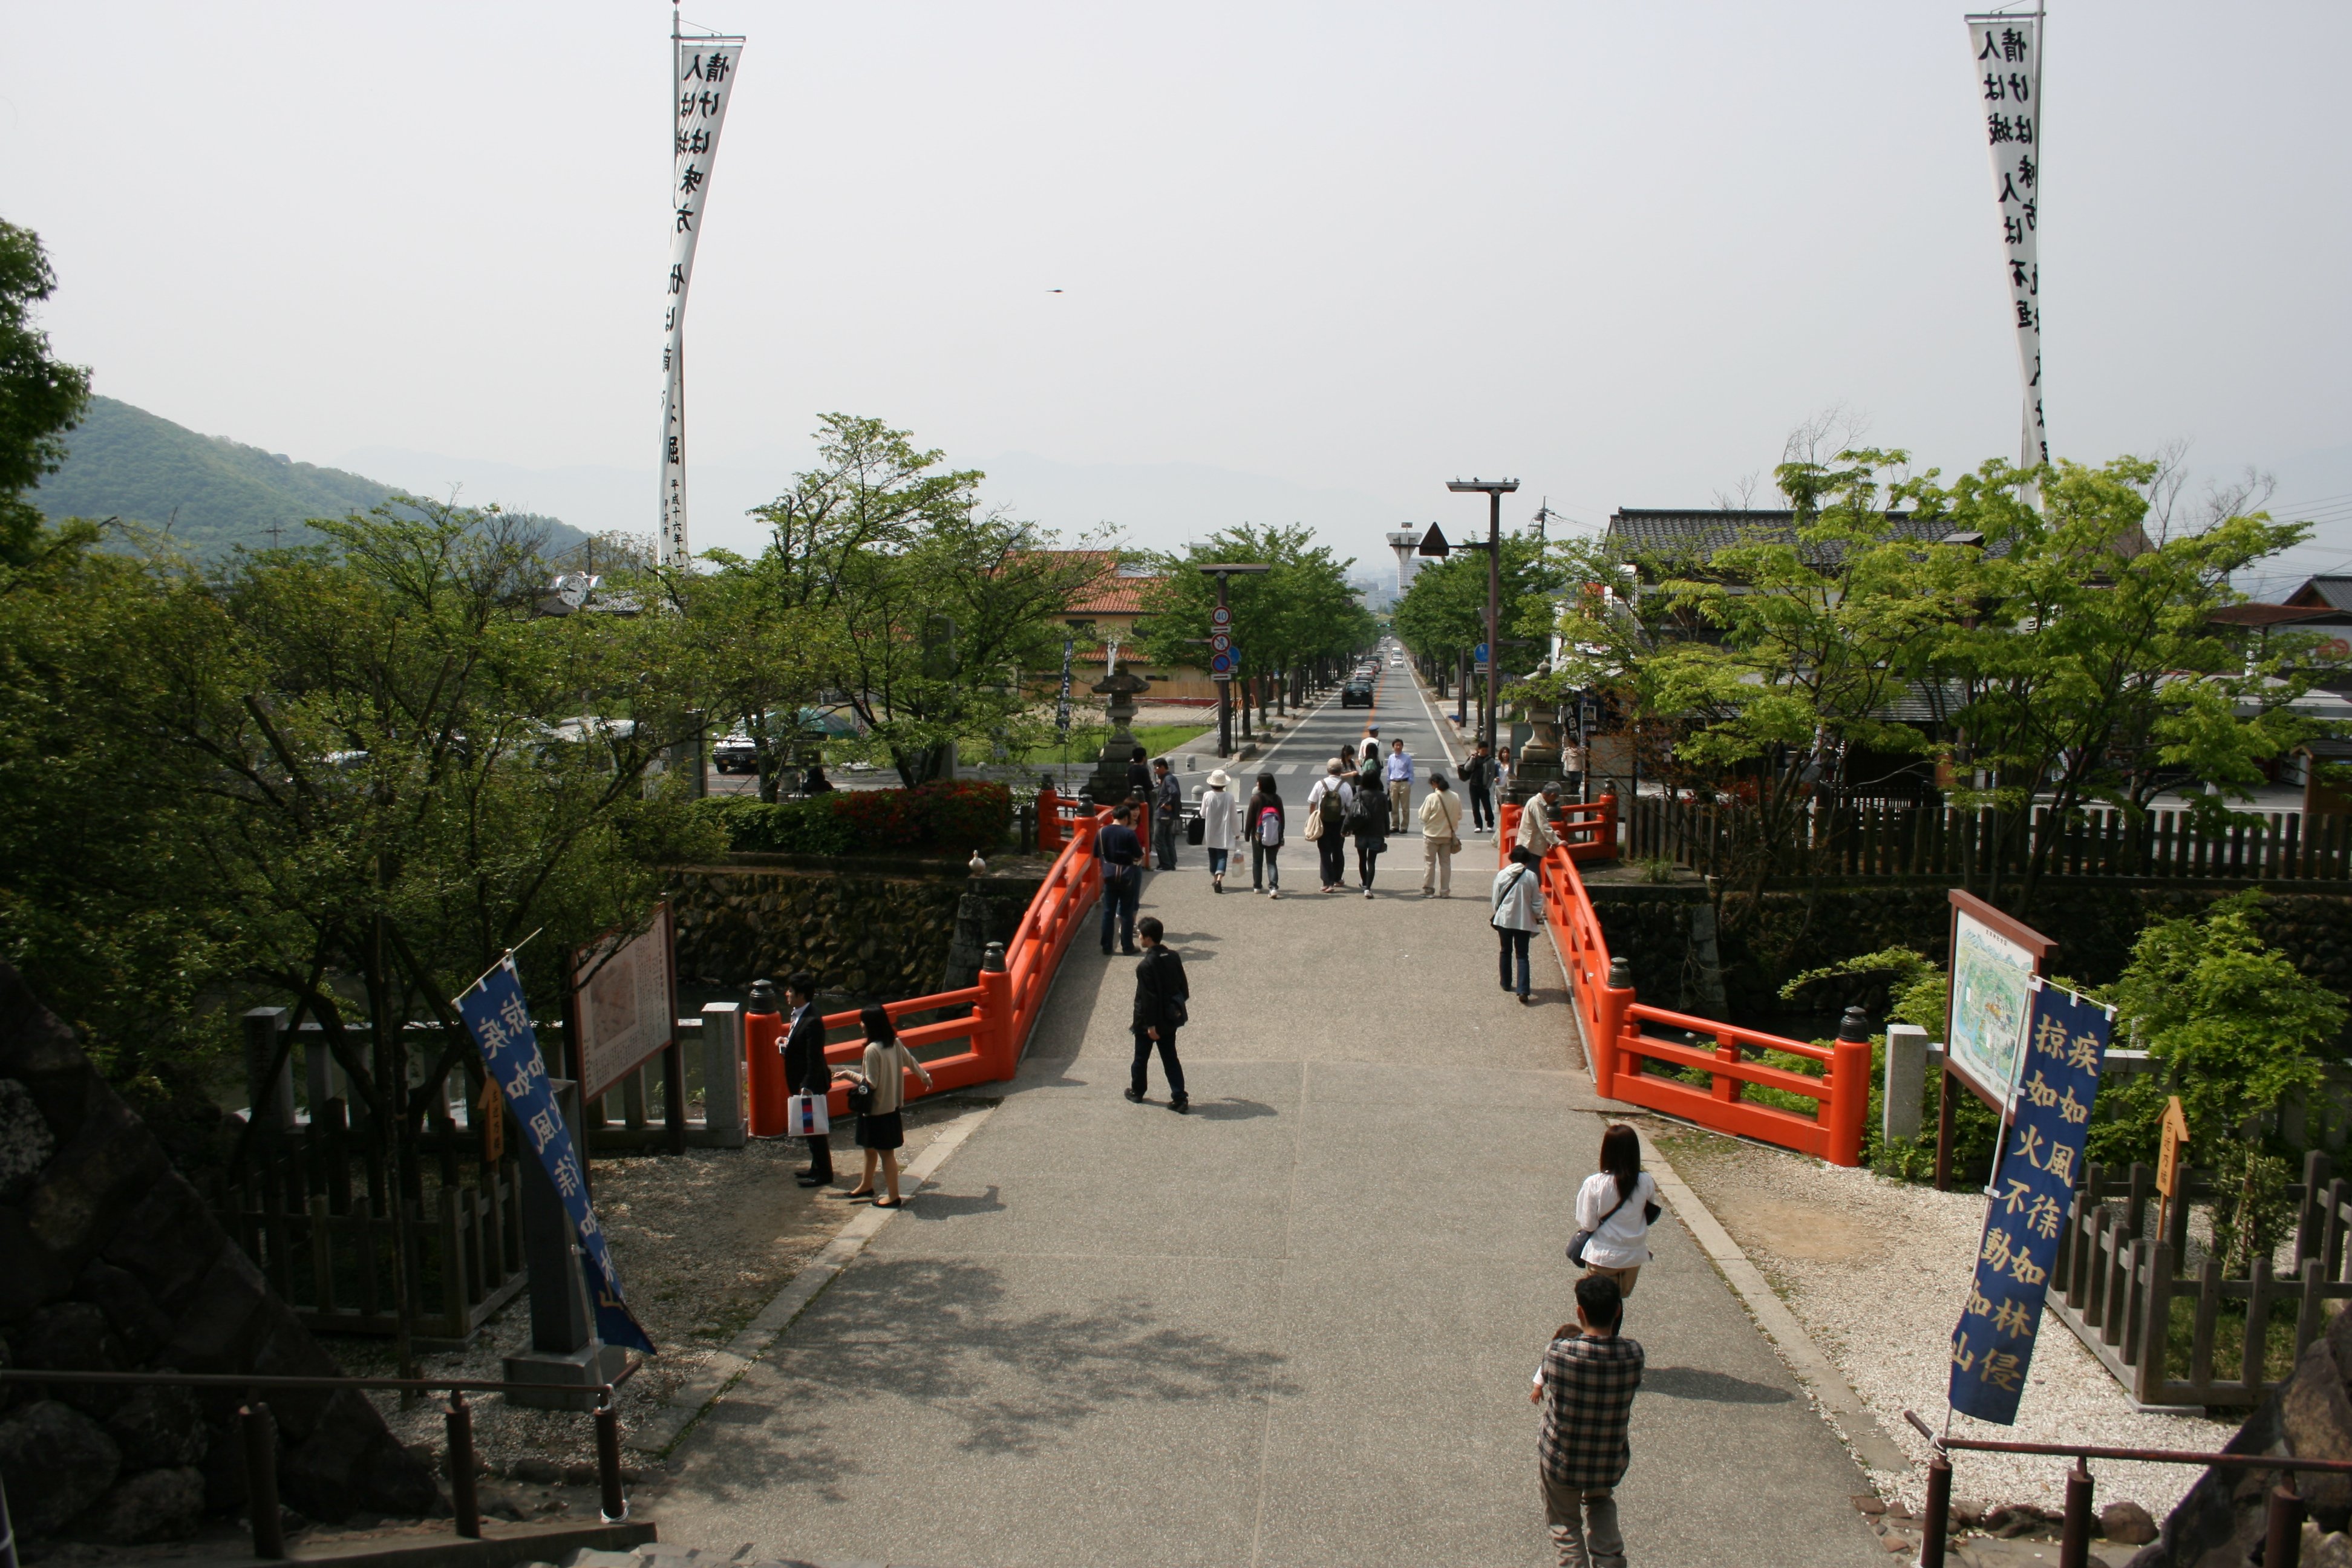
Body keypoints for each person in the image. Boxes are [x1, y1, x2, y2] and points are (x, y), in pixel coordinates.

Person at [1531, 1273, 1644, 1568]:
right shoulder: (1633, 1355)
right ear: (1617, 1311)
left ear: (1580, 1311)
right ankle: (1609, 1561)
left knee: (1565, 1523)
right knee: (1600, 1502)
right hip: (1607, 1458)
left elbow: (1547, 1377)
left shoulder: (1558, 1352)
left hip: (1562, 1457)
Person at [834, 1004, 933, 1207]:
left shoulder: (872, 1050)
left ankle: (893, 1196)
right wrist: (925, 1077)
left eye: (863, 1021)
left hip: (876, 1109)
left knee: (885, 1153)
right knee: (869, 1148)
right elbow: (911, 1061)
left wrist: (848, 1074)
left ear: (870, 1025)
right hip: (891, 1106)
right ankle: (866, 1185)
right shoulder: (894, 1042)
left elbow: (871, 1083)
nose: (861, 1025)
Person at [1576, 1124, 1659, 1302]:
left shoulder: (1595, 1183)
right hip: (1633, 1257)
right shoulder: (1646, 1181)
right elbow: (1648, 1214)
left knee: (1600, 1307)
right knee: (1617, 1303)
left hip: (1603, 1256)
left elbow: (1589, 1224)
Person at [1126, 915, 1189, 1112]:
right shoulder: (1173, 957)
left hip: (1148, 1023)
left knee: (1141, 1058)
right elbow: (1184, 990)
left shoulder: (1145, 966)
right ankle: (1179, 1097)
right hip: (1170, 1019)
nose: (1139, 937)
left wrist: (1151, 1025)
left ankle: (1138, 1091)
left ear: (1148, 938)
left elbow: (1148, 998)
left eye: (1140, 934)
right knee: (1171, 1058)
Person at [780, 970, 834, 1187]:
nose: (787, 994)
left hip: (809, 1084)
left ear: (801, 994)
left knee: (815, 1130)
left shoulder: (812, 1020)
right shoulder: (801, 1014)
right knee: (810, 1129)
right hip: (804, 1081)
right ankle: (816, 1167)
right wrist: (785, 1043)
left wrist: (807, 1086)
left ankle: (824, 1173)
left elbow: (814, 1057)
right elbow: (801, 1047)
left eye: (790, 991)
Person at [1492, 845, 1545, 1003]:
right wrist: (1537, 916)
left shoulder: (1502, 874)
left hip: (1504, 919)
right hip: (1523, 919)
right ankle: (1523, 990)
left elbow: (1496, 898)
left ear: (1512, 858)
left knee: (1505, 950)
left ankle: (1506, 983)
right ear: (1527, 860)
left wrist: (1498, 911)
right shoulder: (1531, 876)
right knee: (1522, 955)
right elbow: (1537, 900)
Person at [1097, 803, 1145, 954]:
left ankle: (1106, 947)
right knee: (1126, 912)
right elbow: (1138, 854)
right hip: (1126, 876)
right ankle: (1127, 946)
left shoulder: (1102, 832)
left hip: (1109, 876)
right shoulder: (1128, 834)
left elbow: (1096, 853)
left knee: (1108, 912)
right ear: (1125, 818)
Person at [1345, 762, 1389, 897]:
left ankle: (1364, 883)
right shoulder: (1382, 796)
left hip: (1361, 831)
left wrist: (1345, 828)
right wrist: (1387, 831)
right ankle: (1368, 888)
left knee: (1362, 859)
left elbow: (1351, 814)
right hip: (1377, 831)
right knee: (1372, 861)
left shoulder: (1359, 795)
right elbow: (1386, 815)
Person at [1305, 759, 1350, 893]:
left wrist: (1313, 817)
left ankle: (1327, 883)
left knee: (1324, 851)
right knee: (1338, 849)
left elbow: (1312, 803)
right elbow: (1349, 807)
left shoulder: (1320, 784)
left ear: (1328, 770)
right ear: (1341, 770)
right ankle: (1337, 878)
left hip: (1323, 821)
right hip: (1340, 821)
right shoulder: (1346, 786)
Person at [1419, 771, 1463, 898]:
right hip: (1448, 836)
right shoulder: (1455, 796)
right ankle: (1445, 891)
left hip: (1431, 836)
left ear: (1434, 784)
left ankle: (1429, 890)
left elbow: (1423, 817)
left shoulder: (1432, 798)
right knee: (1445, 864)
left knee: (1429, 863)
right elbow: (1459, 816)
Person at [1198, 769, 1237, 893]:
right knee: (1222, 856)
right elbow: (1234, 816)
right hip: (1224, 831)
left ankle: (1215, 879)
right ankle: (1219, 879)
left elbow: (1203, 813)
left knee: (1212, 856)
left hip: (1210, 830)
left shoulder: (1207, 795)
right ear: (1224, 784)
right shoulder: (1229, 797)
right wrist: (1237, 832)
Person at [1247, 772, 1285, 897]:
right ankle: (1273, 887)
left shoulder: (1256, 799)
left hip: (1257, 835)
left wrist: (1247, 834)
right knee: (1272, 862)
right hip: (1274, 835)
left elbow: (1250, 819)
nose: (1257, 783)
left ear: (1262, 784)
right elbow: (1282, 818)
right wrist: (1281, 834)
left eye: (1258, 781)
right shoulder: (1277, 799)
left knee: (1257, 861)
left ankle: (1257, 886)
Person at [1517, 778, 1565, 858]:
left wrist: (1553, 834)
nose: (1554, 801)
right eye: (1555, 798)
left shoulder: (1536, 801)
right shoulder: (1537, 803)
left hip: (1531, 844)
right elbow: (1543, 825)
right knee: (1532, 865)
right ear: (1552, 795)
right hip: (1531, 846)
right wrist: (1557, 841)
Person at [1152, 757, 1181, 870]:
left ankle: (1166, 864)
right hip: (1169, 815)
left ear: (1162, 767)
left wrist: (1166, 803)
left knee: (1158, 840)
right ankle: (1171, 862)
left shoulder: (1168, 779)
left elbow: (1174, 793)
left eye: (1156, 768)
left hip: (1163, 814)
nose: (1155, 771)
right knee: (1168, 839)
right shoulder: (1169, 778)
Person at [1463, 742, 1496, 832]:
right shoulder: (1474, 758)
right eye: (1483, 750)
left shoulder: (1490, 760)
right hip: (1473, 785)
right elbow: (1467, 768)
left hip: (1484, 786)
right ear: (1478, 750)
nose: (1485, 752)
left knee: (1487, 806)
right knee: (1475, 807)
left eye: (1486, 750)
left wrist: (1488, 785)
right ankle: (1478, 825)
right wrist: (1472, 760)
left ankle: (1490, 824)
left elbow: (1492, 774)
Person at [1385, 738, 1414, 826]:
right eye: (1396, 745)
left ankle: (1404, 826)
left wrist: (1409, 783)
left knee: (1405, 807)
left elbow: (1411, 772)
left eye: (1400, 745)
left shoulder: (1407, 758)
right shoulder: (1391, 758)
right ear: (1393, 747)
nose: (1398, 747)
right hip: (1393, 783)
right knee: (1394, 807)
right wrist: (1389, 784)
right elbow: (1389, 771)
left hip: (1404, 783)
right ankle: (1395, 825)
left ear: (1402, 746)